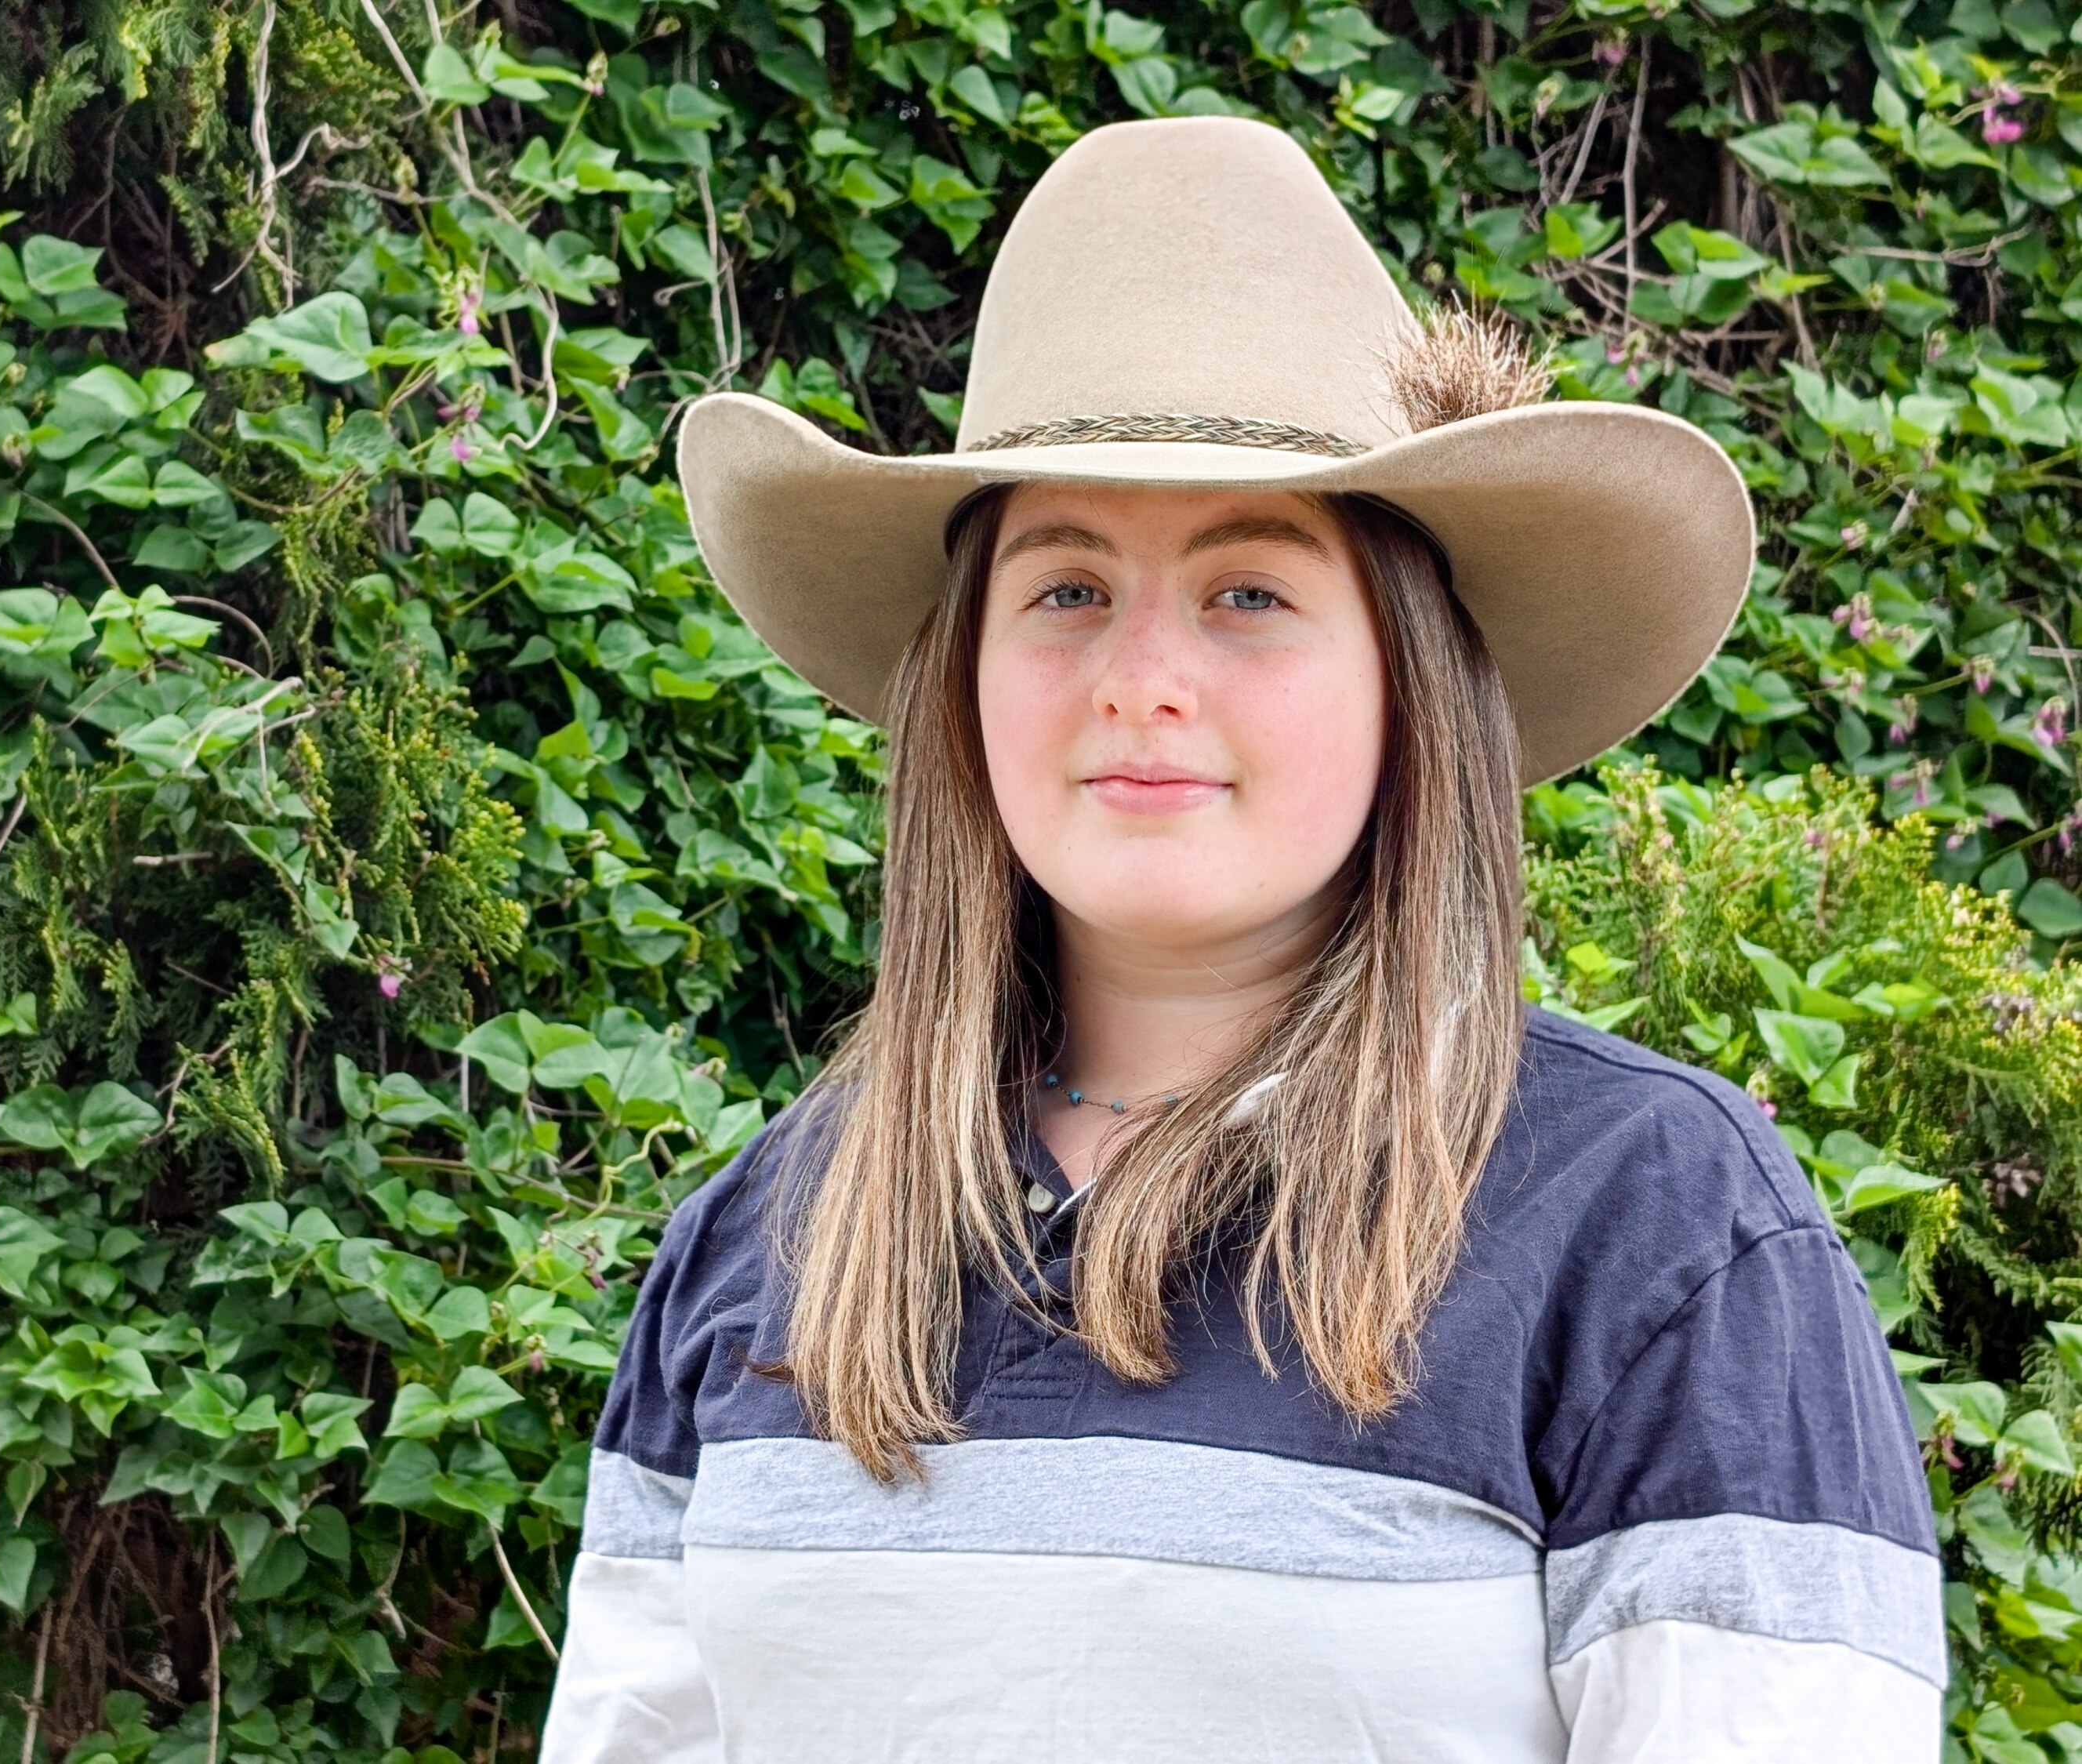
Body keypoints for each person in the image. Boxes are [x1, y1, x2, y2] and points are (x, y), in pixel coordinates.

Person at [537, 116, 1942, 1762]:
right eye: (1063, 589)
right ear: (966, 676)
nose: (1142, 676)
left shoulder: (1657, 1228)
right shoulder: (766, 1237)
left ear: (1404, 676)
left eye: (1249, 592)